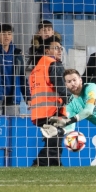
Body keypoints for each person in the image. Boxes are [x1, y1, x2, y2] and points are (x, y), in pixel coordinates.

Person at [29, 37, 69, 167]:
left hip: (39, 111)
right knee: (55, 136)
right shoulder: (54, 64)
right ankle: (40, 163)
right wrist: (70, 99)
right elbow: (61, 87)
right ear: (47, 50)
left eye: (60, 48)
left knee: (53, 137)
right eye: (55, 48)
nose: (59, 51)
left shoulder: (37, 68)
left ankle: (55, 164)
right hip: (52, 109)